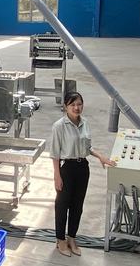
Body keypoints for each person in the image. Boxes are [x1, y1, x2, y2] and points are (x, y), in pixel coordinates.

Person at [49, 91, 116, 257]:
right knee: (62, 205)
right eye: (72, 105)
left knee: (77, 206)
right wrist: (57, 175)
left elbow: (88, 147)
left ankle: (72, 238)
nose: (76, 108)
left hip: (82, 168)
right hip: (67, 168)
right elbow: (55, 153)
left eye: (79, 104)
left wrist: (101, 156)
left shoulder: (85, 123)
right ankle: (60, 240)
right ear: (65, 107)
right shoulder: (59, 126)